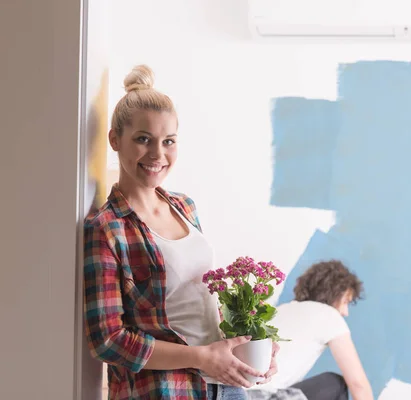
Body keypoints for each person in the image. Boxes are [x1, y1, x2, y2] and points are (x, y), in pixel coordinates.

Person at [83, 65, 277, 400]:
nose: (158, 154)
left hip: (226, 383)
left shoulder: (184, 207)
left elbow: (198, 302)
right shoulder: (107, 227)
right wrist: (199, 357)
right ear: (115, 139)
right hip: (167, 390)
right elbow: (109, 340)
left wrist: (253, 343)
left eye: (168, 141)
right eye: (143, 139)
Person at [247, 260, 373, 400]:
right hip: (263, 397)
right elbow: (358, 385)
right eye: (346, 302)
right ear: (335, 293)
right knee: (336, 383)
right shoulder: (330, 315)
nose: (345, 312)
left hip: (236, 394)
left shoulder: (279, 310)